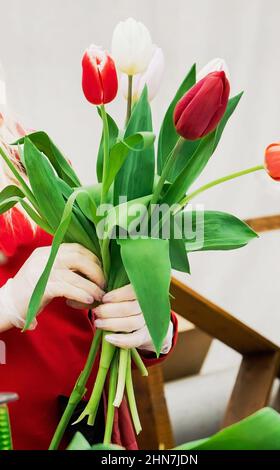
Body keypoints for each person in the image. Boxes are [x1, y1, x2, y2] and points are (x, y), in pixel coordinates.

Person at [0, 104, 178, 450]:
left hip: (89, 433)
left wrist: (152, 324)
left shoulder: (25, 160)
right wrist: (6, 303)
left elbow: (107, 284)